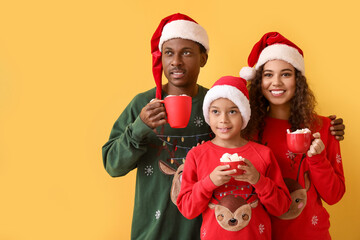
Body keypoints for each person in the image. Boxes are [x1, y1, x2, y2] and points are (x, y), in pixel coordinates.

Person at [102, 13, 212, 239]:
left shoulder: (217, 104)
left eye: (187, 53)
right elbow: (112, 164)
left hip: (204, 231)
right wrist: (139, 127)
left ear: (203, 58)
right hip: (152, 232)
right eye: (169, 53)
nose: (176, 61)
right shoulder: (142, 104)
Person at [239, 32, 346, 240]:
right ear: (259, 81)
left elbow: (334, 195)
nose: (276, 82)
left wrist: (317, 158)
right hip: (260, 234)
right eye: (268, 75)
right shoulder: (245, 129)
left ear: (298, 80)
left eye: (286, 74)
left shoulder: (324, 127)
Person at [177, 75, 292, 239]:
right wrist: (209, 182)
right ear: (208, 115)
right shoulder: (196, 155)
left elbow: (282, 207)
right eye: (216, 111)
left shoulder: (263, 154)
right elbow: (188, 210)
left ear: (244, 115)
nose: (223, 120)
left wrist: (258, 180)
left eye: (232, 111)